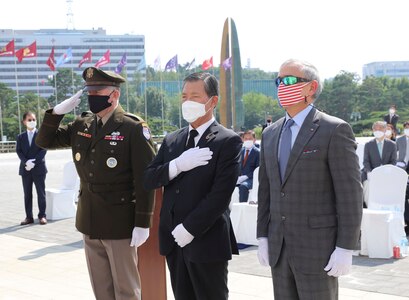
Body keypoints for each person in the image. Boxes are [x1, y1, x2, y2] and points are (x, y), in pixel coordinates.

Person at [36, 67, 156, 300]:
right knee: (101, 289)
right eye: (89, 90)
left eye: (98, 90)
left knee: (126, 290)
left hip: (120, 222)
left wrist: (143, 222)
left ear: (114, 95)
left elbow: (146, 178)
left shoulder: (133, 128)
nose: (92, 95)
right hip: (89, 219)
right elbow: (44, 141)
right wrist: (56, 113)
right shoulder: (82, 125)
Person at [257, 59, 363, 300]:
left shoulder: (333, 130)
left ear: (311, 88)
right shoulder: (270, 134)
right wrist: (262, 235)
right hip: (279, 249)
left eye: (290, 80)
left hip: (318, 249)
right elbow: (267, 189)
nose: (282, 86)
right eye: (279, 80)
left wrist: (346, 246)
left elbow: (349, 194)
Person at [144, 72, 242, 300]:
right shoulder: (173, 140)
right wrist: (176, 166)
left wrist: (189, 228)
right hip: (173, 241)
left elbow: (220, 196)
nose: (187, 102)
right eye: (184, 96)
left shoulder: (227, 140)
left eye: (195, 96)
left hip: (206, 240)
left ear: (213, 101)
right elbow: (149, 178)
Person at [16, 112, 47, 225]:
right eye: (29, 120)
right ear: (24, 122)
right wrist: (26, 162)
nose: (32, 122)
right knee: (27, 194)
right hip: (25, 169)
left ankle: (42, 216)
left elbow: (43, 150)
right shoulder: (20, 137)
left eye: (33, 119)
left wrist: (34, 162)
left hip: (38, 168)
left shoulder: (41, 135)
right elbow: (18, 151)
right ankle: (29, 217)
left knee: (41, 193)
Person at [361, 121, 397, 206]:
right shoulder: (368, 145)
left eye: (380, 128)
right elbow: (366, 161)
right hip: (371, 174)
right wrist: (370, 172)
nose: (377, 131)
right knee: (368, 186)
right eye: (375, 129)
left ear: (385, 130)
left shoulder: (392, 145)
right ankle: (370, 207)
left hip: (387, 174)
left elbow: (393, 161)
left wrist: (386, 171)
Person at [236, 130, 260, 203]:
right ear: (243, 140)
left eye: (250, 139)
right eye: (246, 139)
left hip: (251, 179)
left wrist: (246, 176)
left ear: (254, 140)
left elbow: (258, 169)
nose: (248, 140)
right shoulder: (240, 151)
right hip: (239, 177)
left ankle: (242, 207)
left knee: (243, 186)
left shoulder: (258, 153)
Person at [396, 121, 409, 234]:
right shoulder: (399, 140)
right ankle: (406, 220)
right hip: (401, 167)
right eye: (406, 128)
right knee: (403, 195)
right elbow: (394, 153)